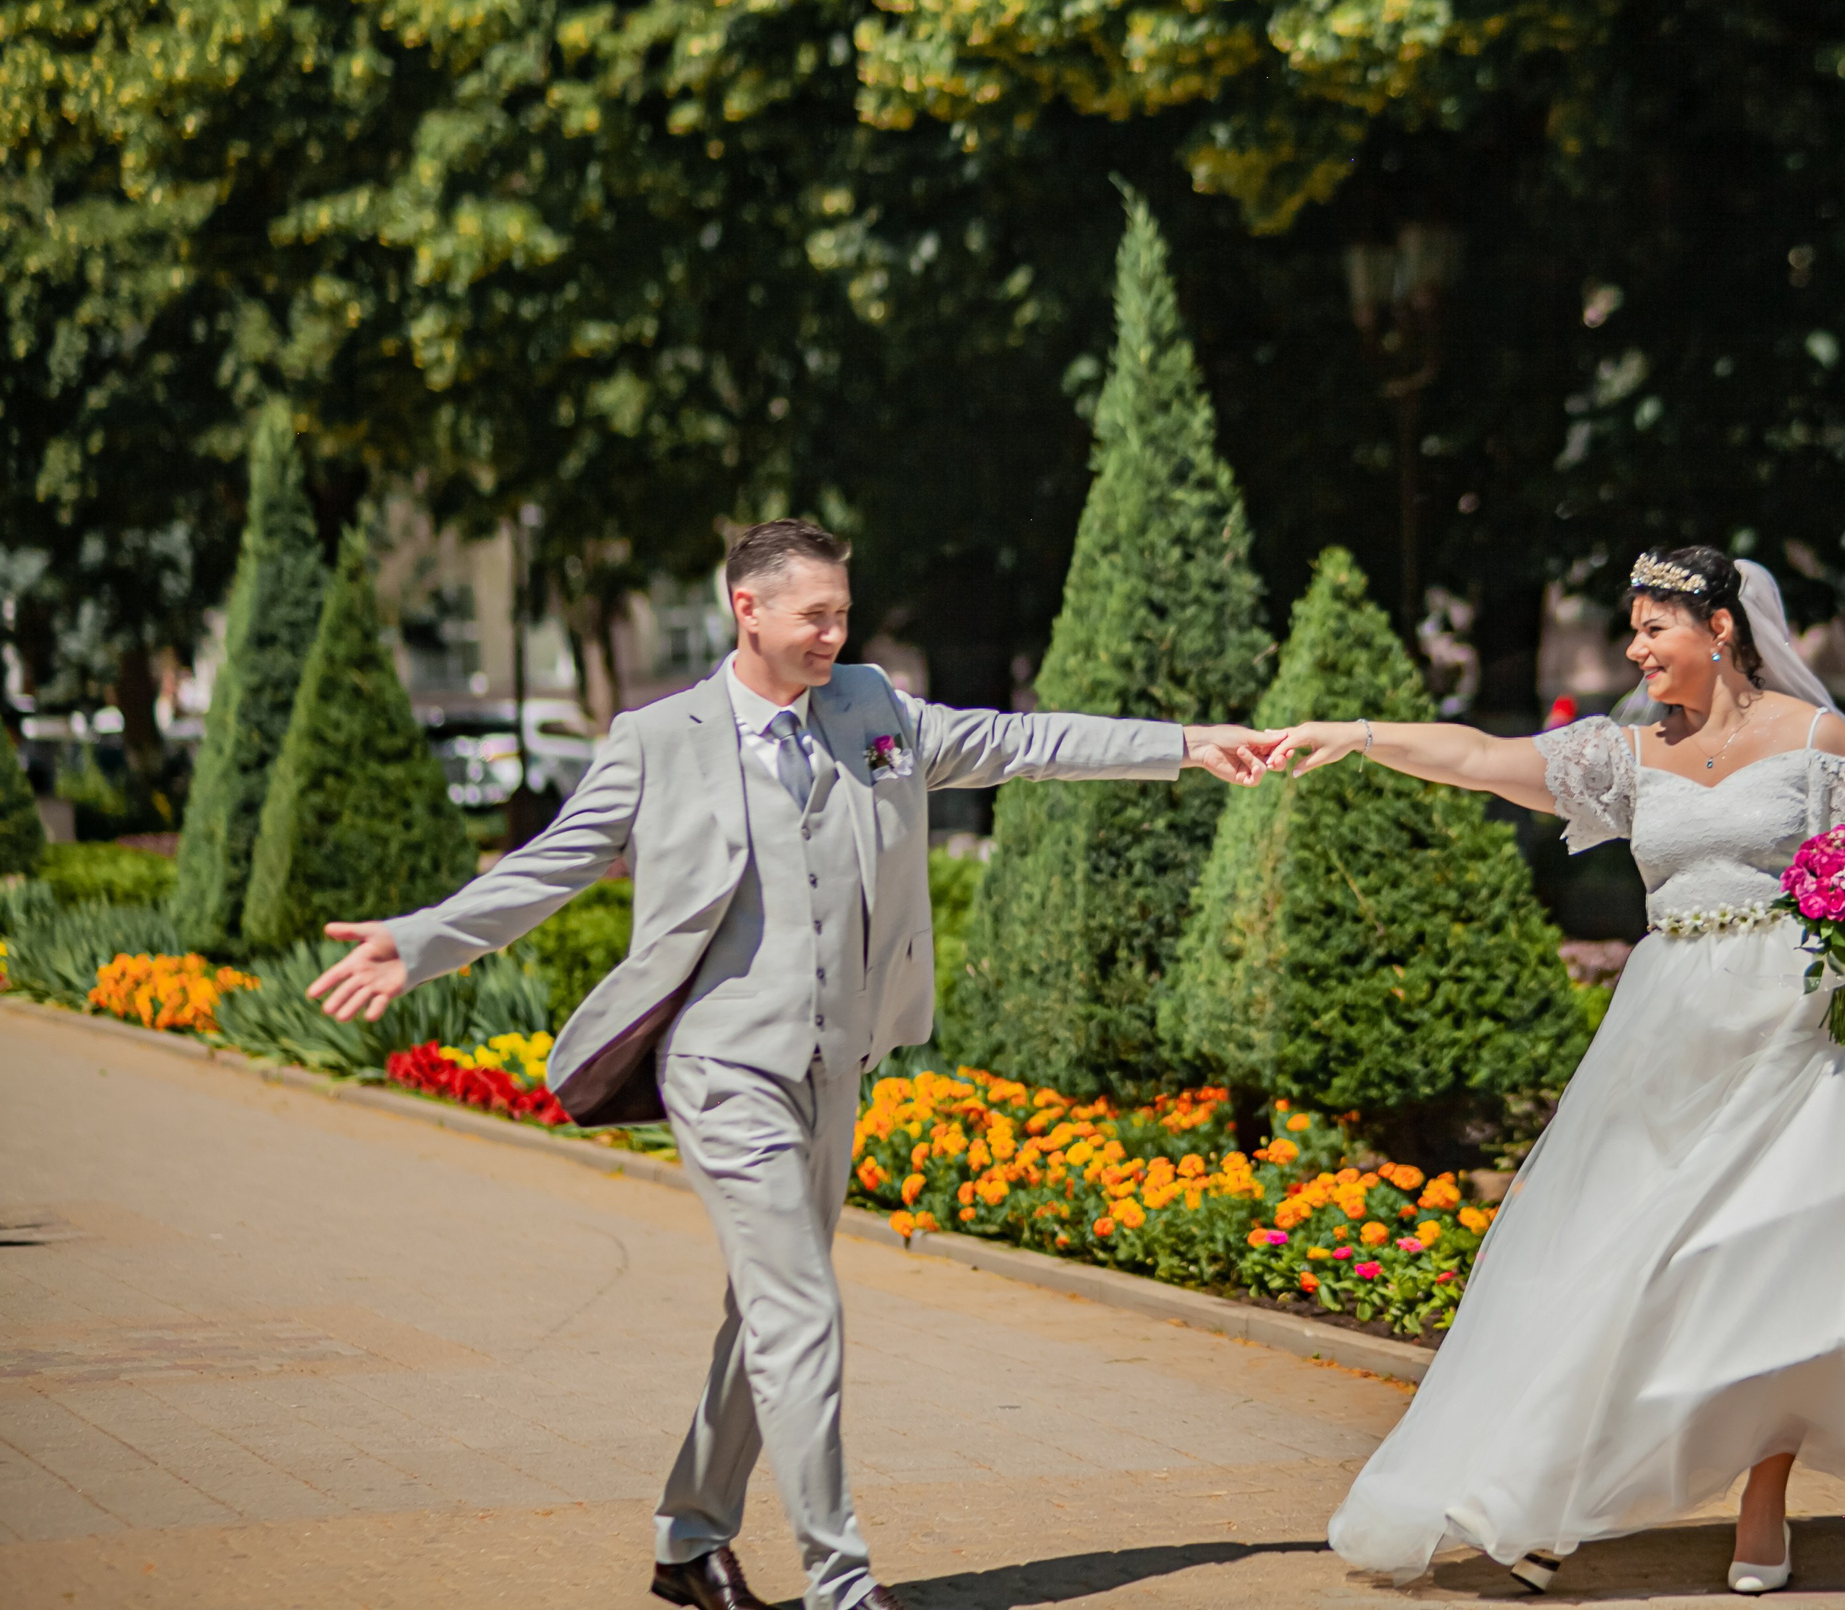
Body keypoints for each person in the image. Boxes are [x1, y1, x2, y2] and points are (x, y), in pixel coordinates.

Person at [307, 519, 1269, 1610]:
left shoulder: (874, 708)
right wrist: (422, 940)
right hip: (722, 1069)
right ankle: (842, 1583)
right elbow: (552, 866)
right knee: (800, 1309)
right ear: (747, 609)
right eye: (815, 616)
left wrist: (1184, 744)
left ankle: (688, 1539)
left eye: (842, 615)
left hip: (833, 1065)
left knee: (767, 1310)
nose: (834, 635)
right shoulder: (657, 739)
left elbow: (1019, 741)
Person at [1254, 546, 1845, 1596]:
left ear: (1718, 629)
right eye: (1633, 630)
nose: (1635, 650)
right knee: (1628, 1266)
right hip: (1671, 1033)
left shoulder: (1820, 740)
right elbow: (1482, 756)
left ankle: (1761, 1502)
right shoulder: (1627, 754)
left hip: (1805, 1034)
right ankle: (1544, 1491)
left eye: (1652, 628)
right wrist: (1359, 736)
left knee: (1771, 1276)